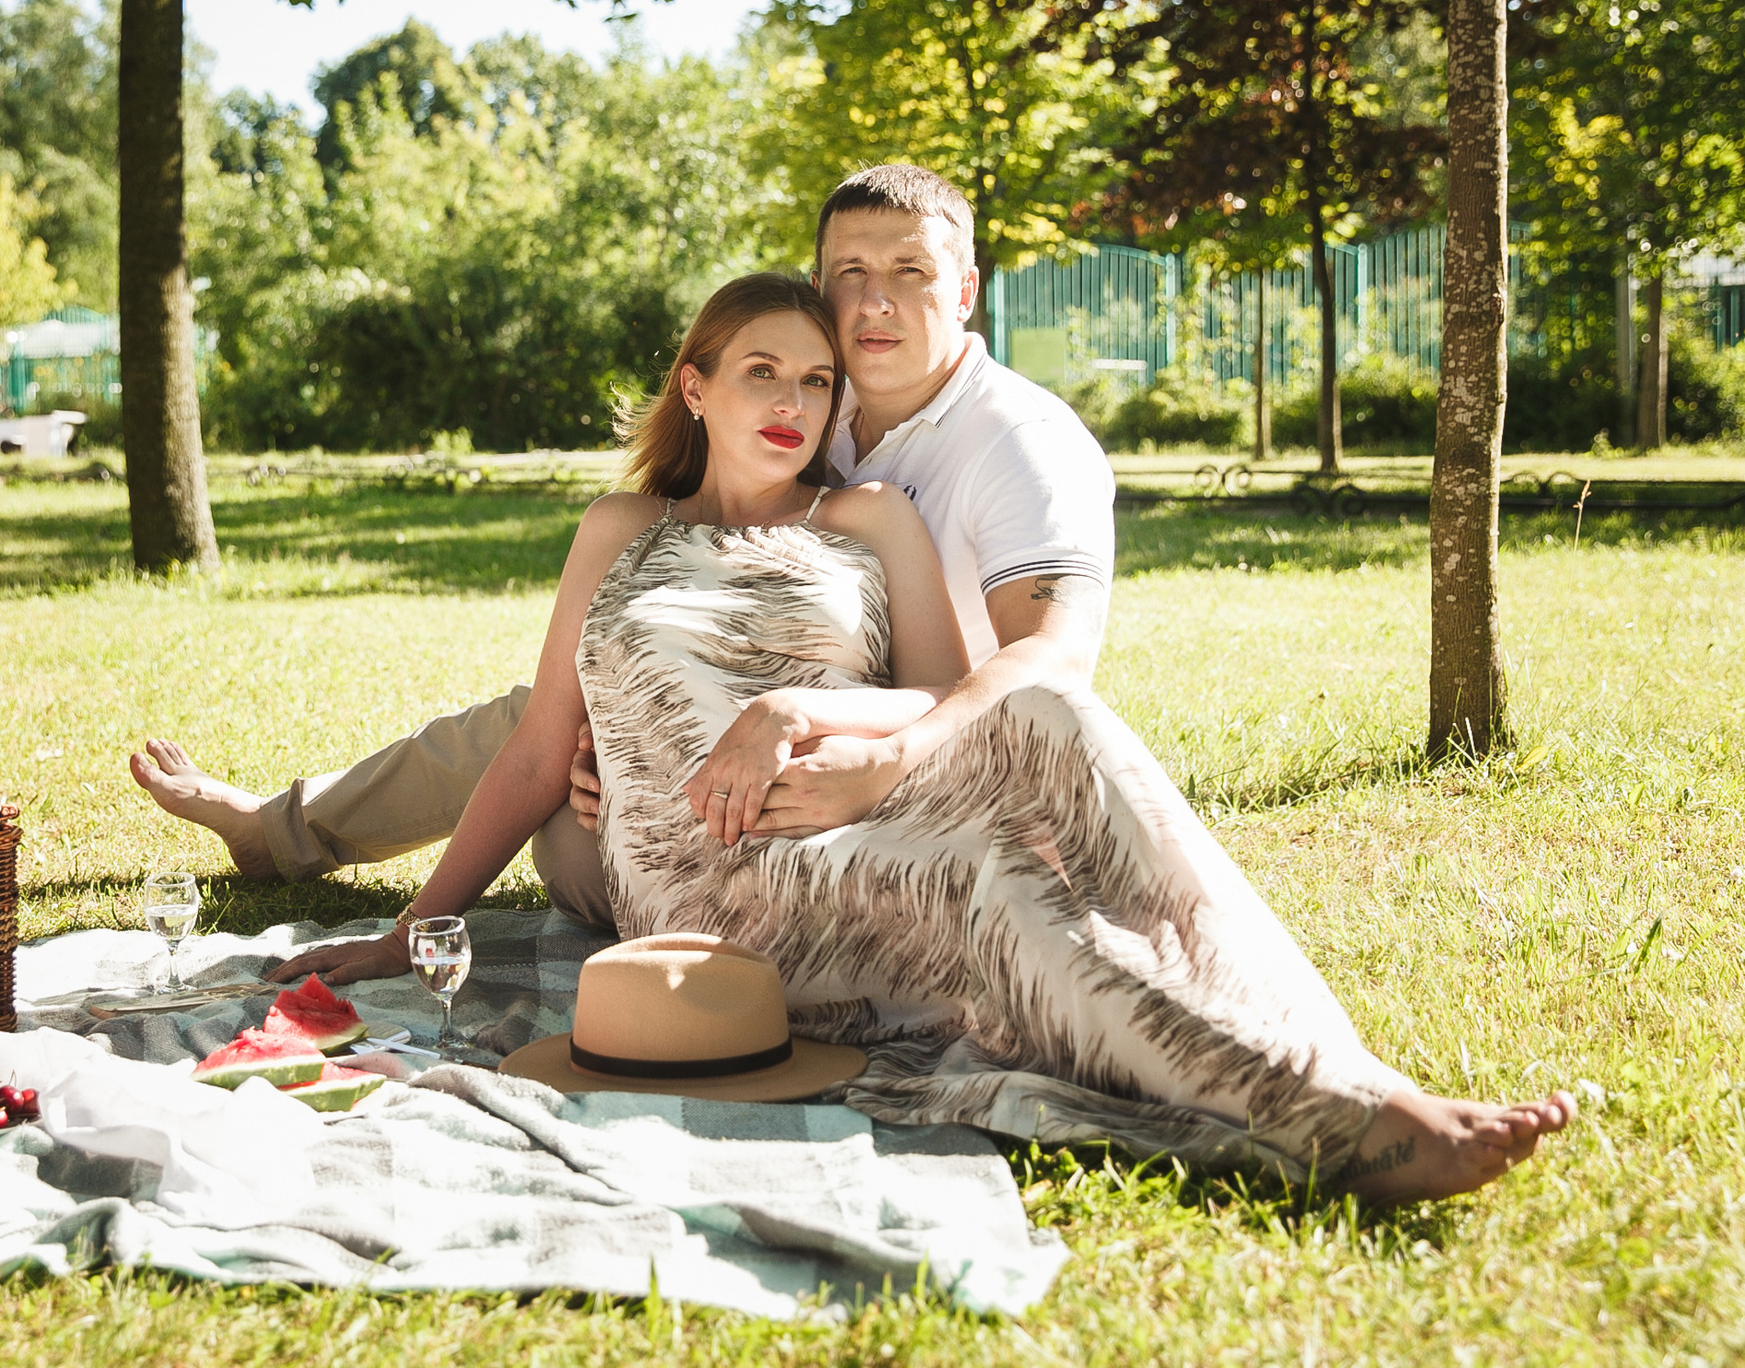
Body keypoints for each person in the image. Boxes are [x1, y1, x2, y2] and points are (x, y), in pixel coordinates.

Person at [238, 269, 1574, 1201]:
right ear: (693, 383)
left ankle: (1340, 1070)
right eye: (761, 369)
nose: (796, 399)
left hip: (856, 811)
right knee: (997, 884)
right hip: (703, 875)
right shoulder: (616, 530)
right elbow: (537, 751)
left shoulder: (867, 519)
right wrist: (414, 919)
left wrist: (801, 705)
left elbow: (953, 700)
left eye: (818, 379)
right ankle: (1343, 1118)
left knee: (1048, 699)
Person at [136, 165, 1115, 898]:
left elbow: (1050, 667)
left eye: (910, 271)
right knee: (551, 720)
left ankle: (281, 833)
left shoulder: (1021, 444)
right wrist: (652, 728)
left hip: (898, 758)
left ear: (967, 290)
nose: (874, 300)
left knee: (563, 737)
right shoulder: (822, 395)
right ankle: (282, 832)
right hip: (748, 726)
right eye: (848, 272)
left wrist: (883, 755)